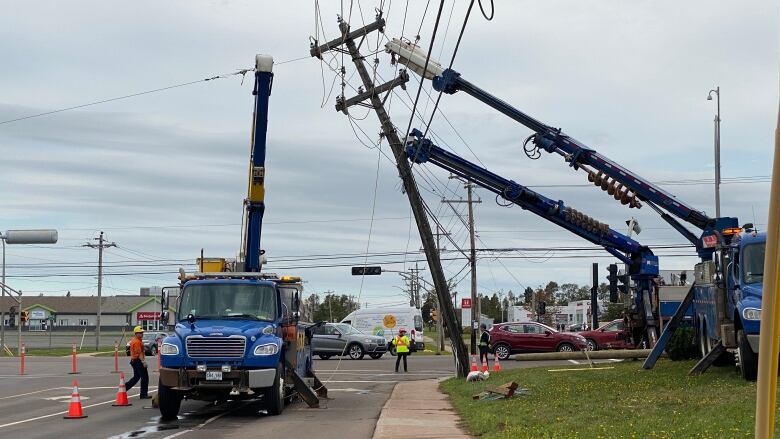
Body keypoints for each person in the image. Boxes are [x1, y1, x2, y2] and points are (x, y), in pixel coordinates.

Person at [125, 325, 150, 399]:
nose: (142, 334)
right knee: (145, 377)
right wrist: (143, 362)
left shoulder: (138, 340)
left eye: (142, 332)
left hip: (135, 361)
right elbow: (139, 353)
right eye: (140, 332)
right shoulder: (136, 342)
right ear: (136, 333)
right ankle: (143, 394)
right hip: (138, 361)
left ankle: (124, 388)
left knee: (136, 377)